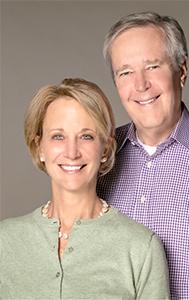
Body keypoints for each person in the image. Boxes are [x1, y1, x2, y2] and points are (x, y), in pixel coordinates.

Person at [0, 78, 170, 299]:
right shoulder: (5, 241)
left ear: (105, 150)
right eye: (58, 136)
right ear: (40, 147)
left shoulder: (141, 248)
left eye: (86, 136)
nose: (72, 152)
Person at [97, 12, 189, 299]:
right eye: (125, 72)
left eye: (152, 66)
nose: (140, 85)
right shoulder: (96, 158)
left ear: (182, 71)